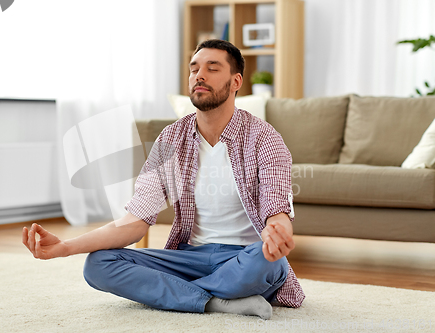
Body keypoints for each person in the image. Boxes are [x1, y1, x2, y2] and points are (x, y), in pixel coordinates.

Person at [23, 39, 305, 320]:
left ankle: (185, 296)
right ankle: (218, 301)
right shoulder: (171, 139)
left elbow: (276, 212)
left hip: (245, 257)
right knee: (99, 263)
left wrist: (277, 234)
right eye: (194, 69)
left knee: (271, 264)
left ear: (236, 81)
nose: (200, 75)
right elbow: (134, 223)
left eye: (212, 68)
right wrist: (66, 247)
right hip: (188, 257)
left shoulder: (265, 138)